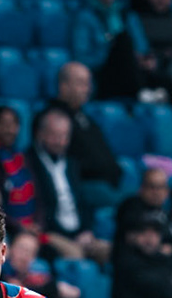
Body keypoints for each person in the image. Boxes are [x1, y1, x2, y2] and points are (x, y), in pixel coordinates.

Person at [26, 109, 108, 264]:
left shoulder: (72, 164)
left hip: (79, 233)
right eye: (54, 135)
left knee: (110, 251)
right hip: (50, 234)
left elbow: (83, 202)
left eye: (64, 136)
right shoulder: (29, 162)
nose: (60, 141)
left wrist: (86, 231)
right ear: (40, 134)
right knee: (76, 256)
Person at [46, 62, 124, 206]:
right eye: (81, 83)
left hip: (108, 184)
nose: (87, 89)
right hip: (84, 187)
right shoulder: (52, 119)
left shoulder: (86, 118)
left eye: (88, 83)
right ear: (64, 86)